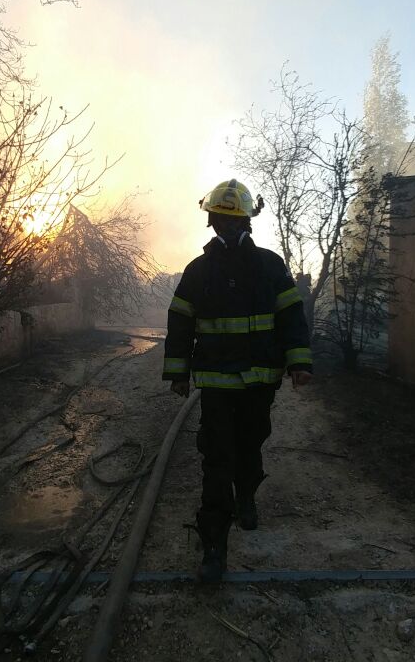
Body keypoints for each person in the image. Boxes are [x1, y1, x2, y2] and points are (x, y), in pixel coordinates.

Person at [162, 179, 314, 583]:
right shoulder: (198, 271)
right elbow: (179, 322)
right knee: (216, 460)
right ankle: (214, 549)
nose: (228, 229)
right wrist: (177, 372)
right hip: (216, 386)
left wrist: (299, 362)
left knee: (250, 446)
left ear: (248, 221)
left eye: (235, 221)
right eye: (221, 220)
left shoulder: (269, 265)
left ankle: (246, 495)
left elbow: (291, 317)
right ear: (211, 221)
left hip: (260, 383)